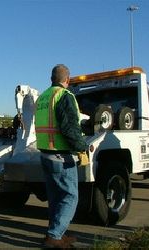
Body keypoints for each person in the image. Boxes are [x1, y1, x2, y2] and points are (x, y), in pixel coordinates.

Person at [34, 64, 88, 248]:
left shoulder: (43, 97)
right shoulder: (65, 96)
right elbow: (70, 128)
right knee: (70, 196)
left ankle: (58, 233)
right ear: (68, 79)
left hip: (45, 154)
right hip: (61, 156)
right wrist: (82, 147)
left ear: (51, 79)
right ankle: (54, 236)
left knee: (56, 198)